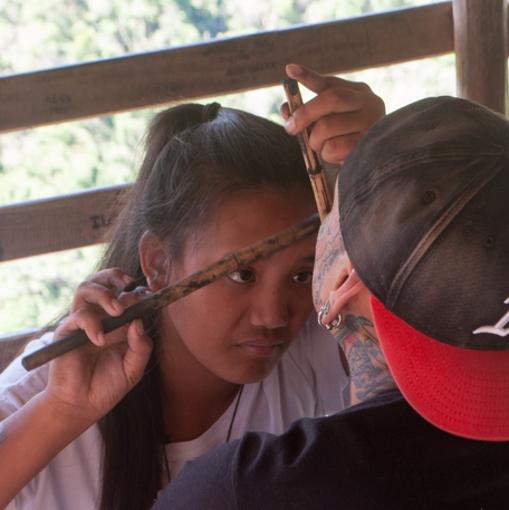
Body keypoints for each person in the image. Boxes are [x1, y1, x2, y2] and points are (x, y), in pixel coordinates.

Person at [0, 64, 385, 510]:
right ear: (158, 263)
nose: (275, 316)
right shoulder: (55, 386)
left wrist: (387, 163)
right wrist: (64, 410)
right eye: (242, 274)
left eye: (301, 276)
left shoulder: (318, 348)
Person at [153, 96, 509, 509]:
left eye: (334, 205)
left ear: (343, 281)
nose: (272, 315)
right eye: (243, 274)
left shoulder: (240, 494)